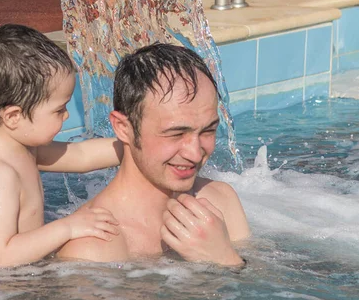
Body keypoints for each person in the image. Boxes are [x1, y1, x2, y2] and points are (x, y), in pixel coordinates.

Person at [58, 43, 250, 266]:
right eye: (176, 134)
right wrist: (224, 262)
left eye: (208, 130)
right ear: (123, 128)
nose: (195, 154)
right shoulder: (92, 249)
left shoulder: (220, 199)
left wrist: (226, 258)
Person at [0, 24, 123, 268]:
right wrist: (68, 226)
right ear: (13, 116)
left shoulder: (24, 148)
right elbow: (1, 257)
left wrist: (138, 145)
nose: (67, 116)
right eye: (59, 109)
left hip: (19, 279)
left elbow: (81, 156)